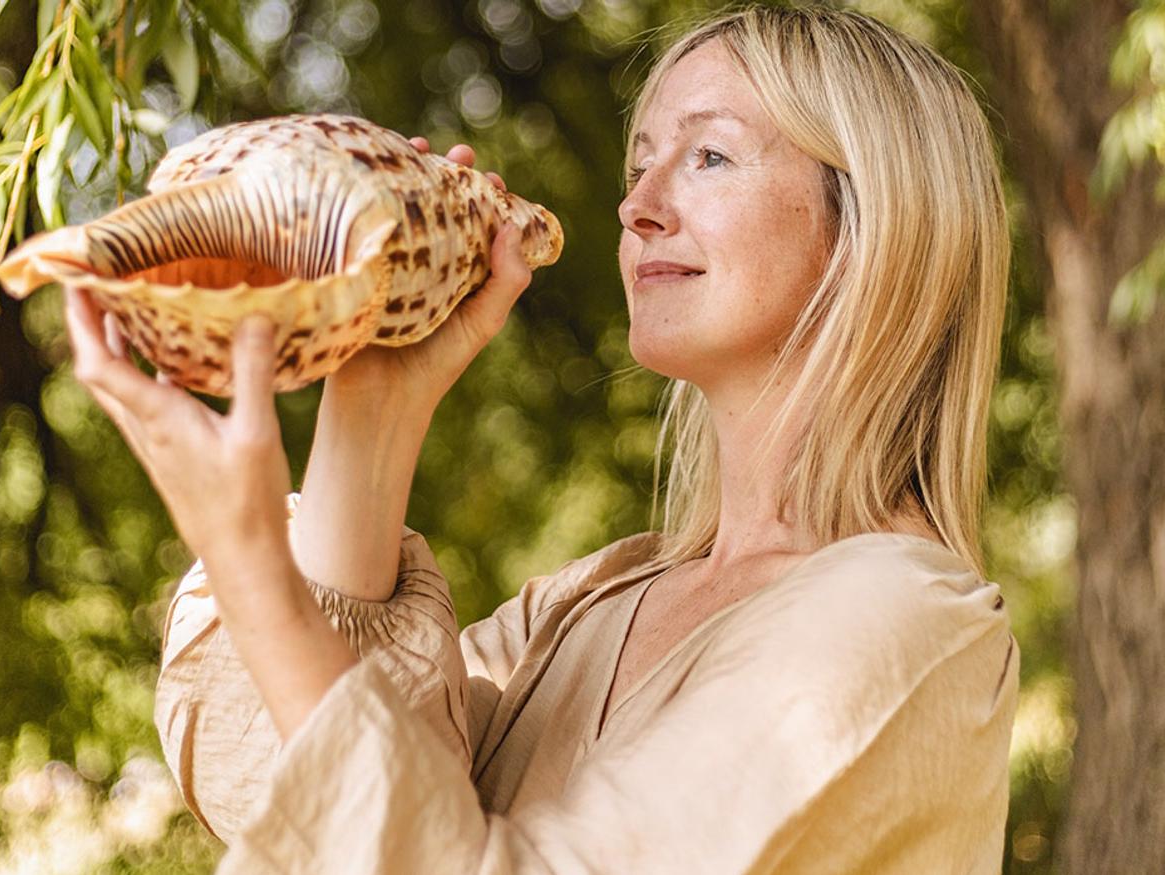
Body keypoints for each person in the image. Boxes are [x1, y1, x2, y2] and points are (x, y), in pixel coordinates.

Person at [65, 5, 1018, 873]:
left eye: (710, 156)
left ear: (871, 227)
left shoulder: (904, 621)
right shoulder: (587, 609)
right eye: (639, 162)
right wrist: (375, 402)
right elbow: (285, 786)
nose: (637, 204)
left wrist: (248, 558)